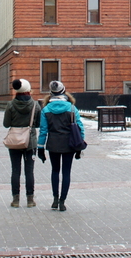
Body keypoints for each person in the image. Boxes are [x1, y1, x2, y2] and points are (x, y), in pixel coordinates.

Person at [37, 80, 85, 212]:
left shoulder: (46, 110)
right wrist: (80, 146)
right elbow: (80, 127)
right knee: (66, 172)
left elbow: (43, 131)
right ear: (64, 92)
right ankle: (63, 201)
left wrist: (40, 148)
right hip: (69, 144)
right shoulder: (71, 108)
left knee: (55, 171)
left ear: (51, 94)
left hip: (53, 144)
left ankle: (55, 199)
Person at [3, 78, 41, 207]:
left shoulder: (10, 105)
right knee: (29, 171)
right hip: (30, 142)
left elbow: (6, 124)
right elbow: (38, 124)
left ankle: (15, 200)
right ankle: (30, 200)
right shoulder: (35, 105)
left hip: (14, 141)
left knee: (15, 170)